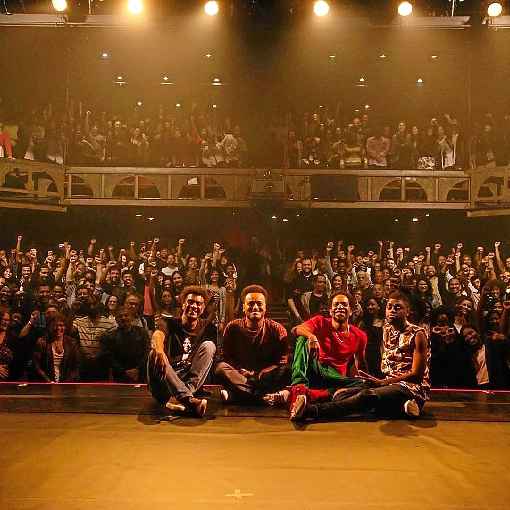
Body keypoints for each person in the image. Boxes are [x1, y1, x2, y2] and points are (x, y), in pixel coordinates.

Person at [291, 290, 430, 421]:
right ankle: (401, 408)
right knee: (342, 394)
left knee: (367, 396)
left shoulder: (418, 334)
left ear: (408, 311)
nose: (392, 310)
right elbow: (296, 329)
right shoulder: (387, 329)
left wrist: (382, 383)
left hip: (410, 388)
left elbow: (416, 376)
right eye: (389, 306)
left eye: (398, 307)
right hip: (387, 384)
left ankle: (312, 411)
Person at [288, 291, 369, 420]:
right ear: (331, 311)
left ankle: (307, 395)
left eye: (344, 304)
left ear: (351, 310)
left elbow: (359, 364)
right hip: (317, 368)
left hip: (335, 378)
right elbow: (296, 329)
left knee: (365, 384)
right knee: (302, 339)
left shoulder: (360, 335)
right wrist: (312, 336)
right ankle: (299, 387)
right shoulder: (320, 321)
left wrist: (361, 381)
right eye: (336, 304)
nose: (340, 307)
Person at [146, 286, 217, 417]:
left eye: (199, 303)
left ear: (203, 308)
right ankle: (188, 399)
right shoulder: (169, 322)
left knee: (209, 346)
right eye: (190, 302)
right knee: (154, 353)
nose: (194, 306)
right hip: (165, 380)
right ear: (183, 304)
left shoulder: (208, 327)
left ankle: (181, 397)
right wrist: (160, 351)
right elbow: (157, 335)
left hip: (188, 380)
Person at [215, 285, 289, 404]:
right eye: (250, 304)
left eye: (259, 304)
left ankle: (238, 396)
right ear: (243, 307)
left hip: (264, 376)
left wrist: (258, 374)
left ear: (265, 307)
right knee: (220, 368)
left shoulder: (278, 329)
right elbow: (225, 357)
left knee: (285, 372)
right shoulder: (232, 327)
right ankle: (260, 397)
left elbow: (281, 363)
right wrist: (240, 371)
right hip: (240, 376)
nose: (255, 307)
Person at [101, 306, 149, 383]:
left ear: (131, 317)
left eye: (126, 315)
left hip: (140, 374)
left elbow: (147, 352)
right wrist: (124, 371)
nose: (123, 318)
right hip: (119, 376)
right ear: (116, 319)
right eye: (120, 316)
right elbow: (109, 357)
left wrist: (137, 369)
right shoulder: (110, 336)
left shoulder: (142, 333)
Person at [32, 313, 80, 383]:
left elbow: (76, 367)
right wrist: (48, 381)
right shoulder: (42, 342)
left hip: (67, 386)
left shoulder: (72, 343)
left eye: (61, 325)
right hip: (46, 384)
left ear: (65, 327)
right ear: (50, 326)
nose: (58, 328)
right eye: (55, 325)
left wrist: (65, 383)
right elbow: (36, 366)